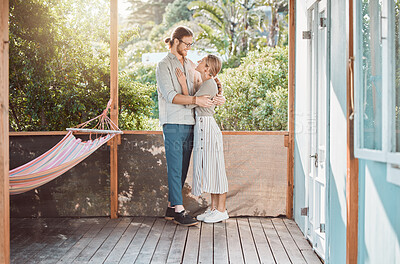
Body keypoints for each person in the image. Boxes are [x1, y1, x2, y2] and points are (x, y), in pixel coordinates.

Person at [156, 26, 225, 226]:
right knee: (175, 167)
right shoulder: (163, 66)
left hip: (192, 123)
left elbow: (205, 83)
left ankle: (171, 207)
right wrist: (196, 100)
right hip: (173, 122)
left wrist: (218, 96)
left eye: (191, 44)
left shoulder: (190, 64)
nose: (189, 48)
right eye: (186, 44)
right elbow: (170, 96)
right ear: (175, 41)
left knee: (183, 167)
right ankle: (179, 210)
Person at [175, 54, 229, 223]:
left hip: (207, 128)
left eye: (202, 61)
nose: (198, 62)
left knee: (217, 169)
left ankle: (221, 210)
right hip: (203, 127)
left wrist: (183, 83)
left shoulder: (209, 84)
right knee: (211, 169)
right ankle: (214, 209)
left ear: (207, 68)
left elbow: (189, 103)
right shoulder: (207, 83)